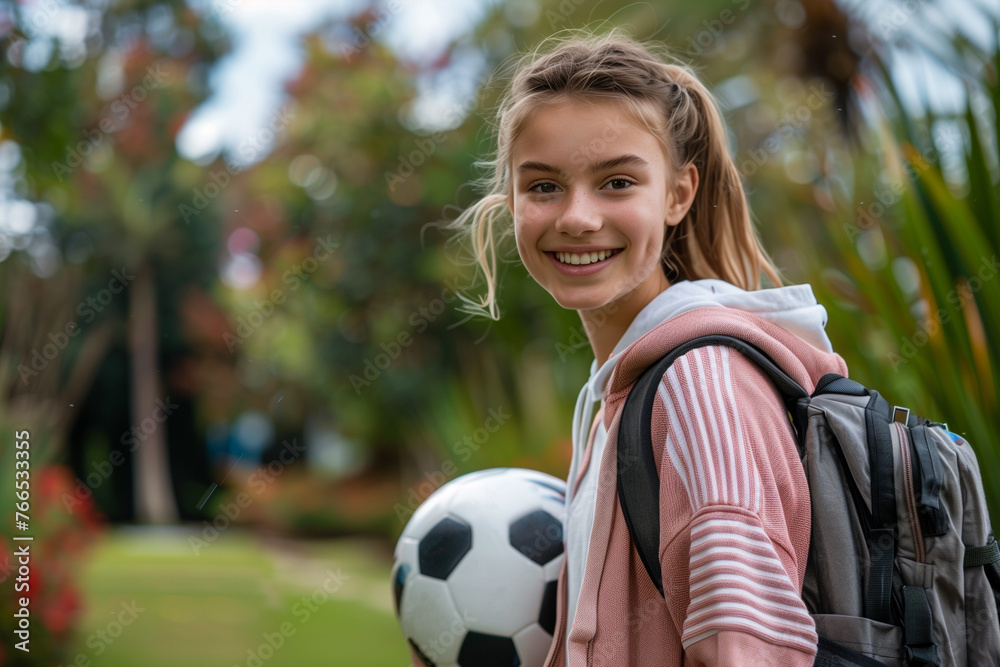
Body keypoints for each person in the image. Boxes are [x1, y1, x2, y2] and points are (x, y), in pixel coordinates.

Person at [423, 30, 850, 666]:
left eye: (617, 182)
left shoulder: (700, 390)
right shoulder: (628, 388)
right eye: (543, 186)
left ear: (678, 193)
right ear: (511, 198)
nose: (577, 218)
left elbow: (748, 652)